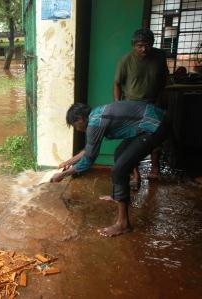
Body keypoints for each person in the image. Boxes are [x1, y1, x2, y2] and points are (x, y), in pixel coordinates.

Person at [50, 101, 168, 237]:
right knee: (119, 153)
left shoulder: (94, 123)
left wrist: (63, 174)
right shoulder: (96, 115)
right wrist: (68, 162)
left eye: (75, 125)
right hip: (152, 120)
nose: (77, 129)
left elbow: (89, 159)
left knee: (119, 170)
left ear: (80, 118)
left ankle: (123, 224)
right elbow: (89, 149)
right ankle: (116, 195)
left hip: (155, 125)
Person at [114, 28, 169, 187]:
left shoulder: (159, 56)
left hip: (153, 104)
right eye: (140, 45)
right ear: (133, 45)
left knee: (154, 138)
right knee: (131, 142)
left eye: (147, 45)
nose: (144, 49)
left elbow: (164, 80)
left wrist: (160, 100)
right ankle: (135, 174)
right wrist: (118, 106)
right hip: (131, 105)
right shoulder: (125, 60)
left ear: (152, 44)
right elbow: (117, 84)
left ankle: (155, 169)